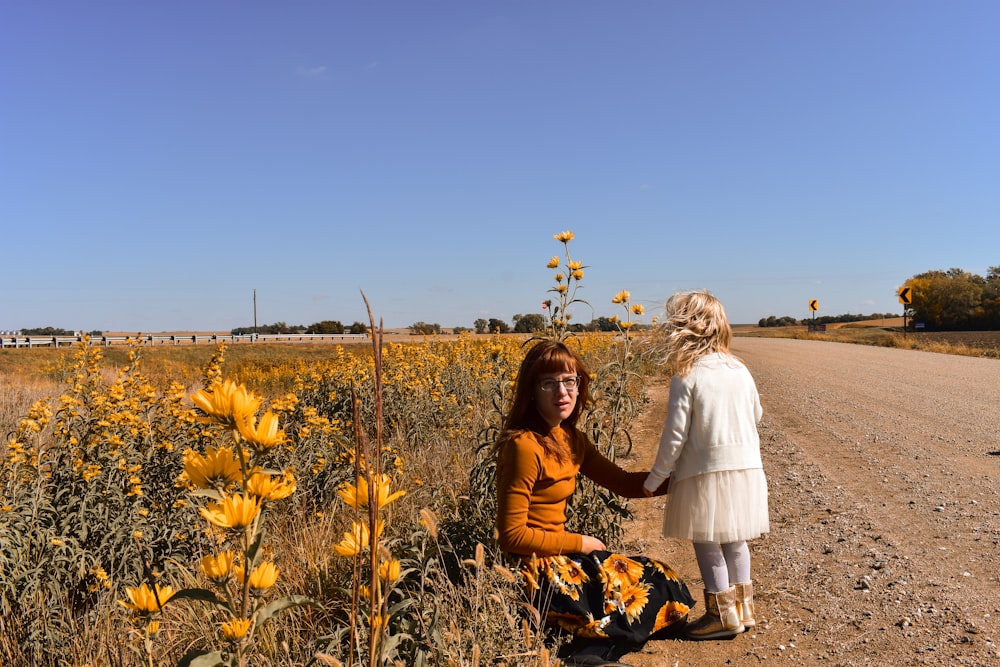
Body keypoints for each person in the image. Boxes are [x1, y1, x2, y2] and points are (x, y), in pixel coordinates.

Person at [495, 340, 695, 666]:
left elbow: (625, 483)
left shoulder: (571, 439)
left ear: (579, 385)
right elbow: (512, 536)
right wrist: (583, 543)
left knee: (660, 578)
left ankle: (591, 650)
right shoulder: (523, 446)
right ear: (532, 390)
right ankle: (588, 655)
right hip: (535, 569)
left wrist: (683, 478)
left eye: (569, 381)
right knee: (627, 599)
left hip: (564, 557)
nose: (562, 391)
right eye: (549, 383)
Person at [642, 290, 769, 640]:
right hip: (746, 468)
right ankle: (744, 610)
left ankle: (719, 615)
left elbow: (674, 437)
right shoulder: (740, 369)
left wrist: (656, 478)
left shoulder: (688, 375)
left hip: (705, 471)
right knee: (736, 538)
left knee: (707, 540)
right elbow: (756, 414)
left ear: (682, 329)